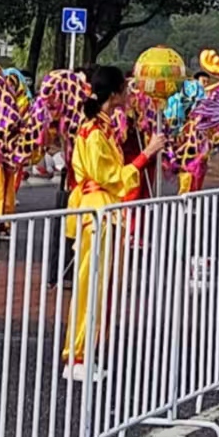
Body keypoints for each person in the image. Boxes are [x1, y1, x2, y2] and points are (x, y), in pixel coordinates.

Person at [63, 65, 165, 381]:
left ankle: (86, 351)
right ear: (115, 93)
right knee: (91, 285)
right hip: (98, 214)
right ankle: (77, 354)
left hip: (104, 211)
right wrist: (146, 154)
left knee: (102, 285)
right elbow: (112, 178)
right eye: (125, 88)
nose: (130, 93)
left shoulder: (102, 128)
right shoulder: (94, 133)